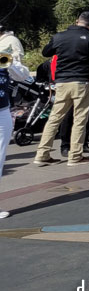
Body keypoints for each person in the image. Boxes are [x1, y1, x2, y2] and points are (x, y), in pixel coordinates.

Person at [34, 11, 89, 166]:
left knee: (55, 118)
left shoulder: (59, 36)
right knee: (80, 119)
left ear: (77, 21)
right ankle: (75, 156)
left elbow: (46, 52)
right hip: (82, 81)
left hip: (61, 82)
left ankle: (42, 154)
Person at [1, 56, 33, 217]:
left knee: (0, 157)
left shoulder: (2, 59)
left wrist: (10, 63)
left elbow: (23, 76)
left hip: (2, 111)